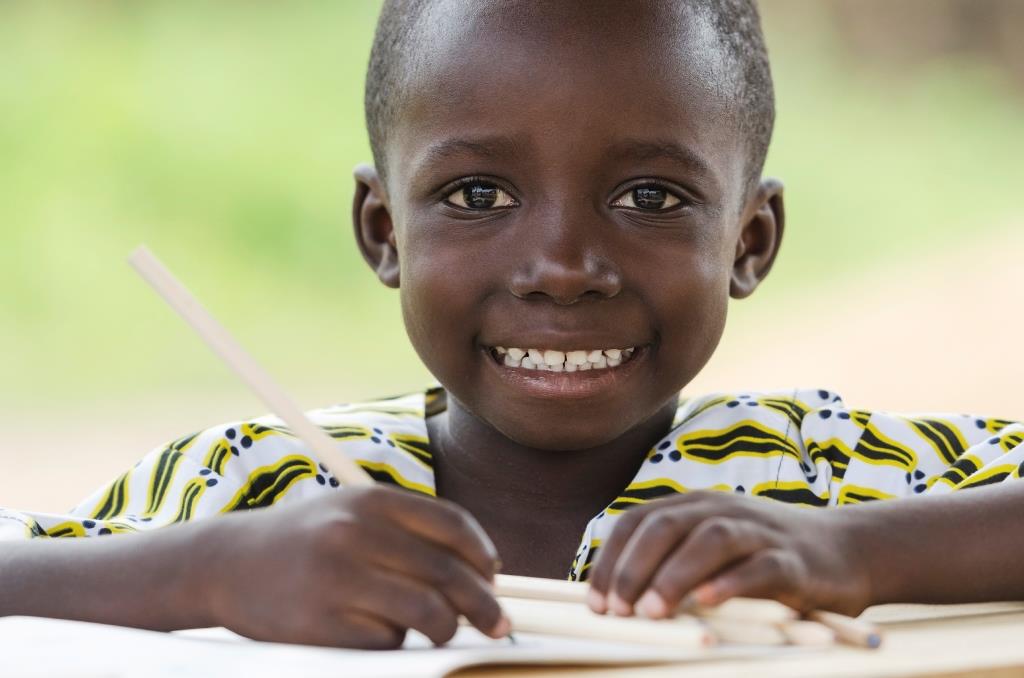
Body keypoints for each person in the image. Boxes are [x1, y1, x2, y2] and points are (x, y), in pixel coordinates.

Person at [1, 0, 1022, 650]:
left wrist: (857, 556)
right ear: (381, 229)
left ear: (750, 241)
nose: (564, 269)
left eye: (652, 198)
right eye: (480, 194)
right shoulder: (253, 489)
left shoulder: (829, 478)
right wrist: (199, 573)